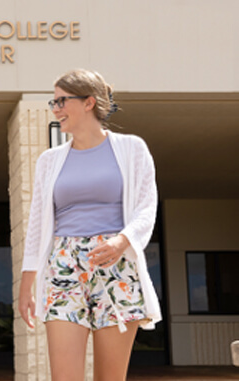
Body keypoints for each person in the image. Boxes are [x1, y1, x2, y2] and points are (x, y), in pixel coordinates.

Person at [18, 69, 162, 381]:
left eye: (61, 100)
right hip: (63, 266)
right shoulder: (49, 160)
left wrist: (122, 241)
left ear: (88, 103)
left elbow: (146, 207)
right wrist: (27, 282)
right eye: (52, 101)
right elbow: (37, 223)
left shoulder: (132, 148)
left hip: (117, 265)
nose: (54, 108)